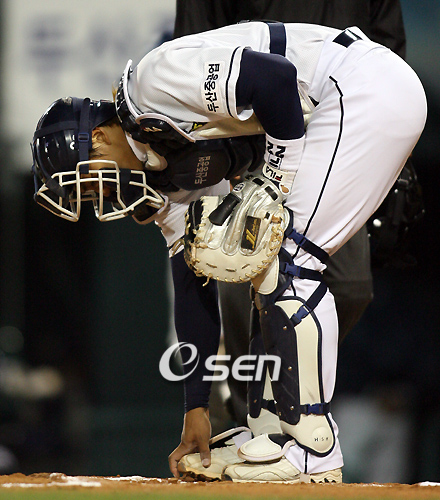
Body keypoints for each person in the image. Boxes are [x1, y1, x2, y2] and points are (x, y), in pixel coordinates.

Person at [31, 20, 427, 483]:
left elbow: (275, 79)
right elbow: (191, 284)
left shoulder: (151, 84)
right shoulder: (156, 178)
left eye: (87, 181)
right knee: (268, 267)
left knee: (289, 261)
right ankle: (272, 431)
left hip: (359, 85)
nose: (98, 195)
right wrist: (195, 408)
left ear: (97, 138)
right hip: (338, 105)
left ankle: (312, 446)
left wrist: (275, 180)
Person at [173, 0, 411, 431]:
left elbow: (389, 41)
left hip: (340, 119)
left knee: (350, 286)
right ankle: (251, 417)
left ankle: (287, 396)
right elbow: (192, 45)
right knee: (245, 274)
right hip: (252, 128)